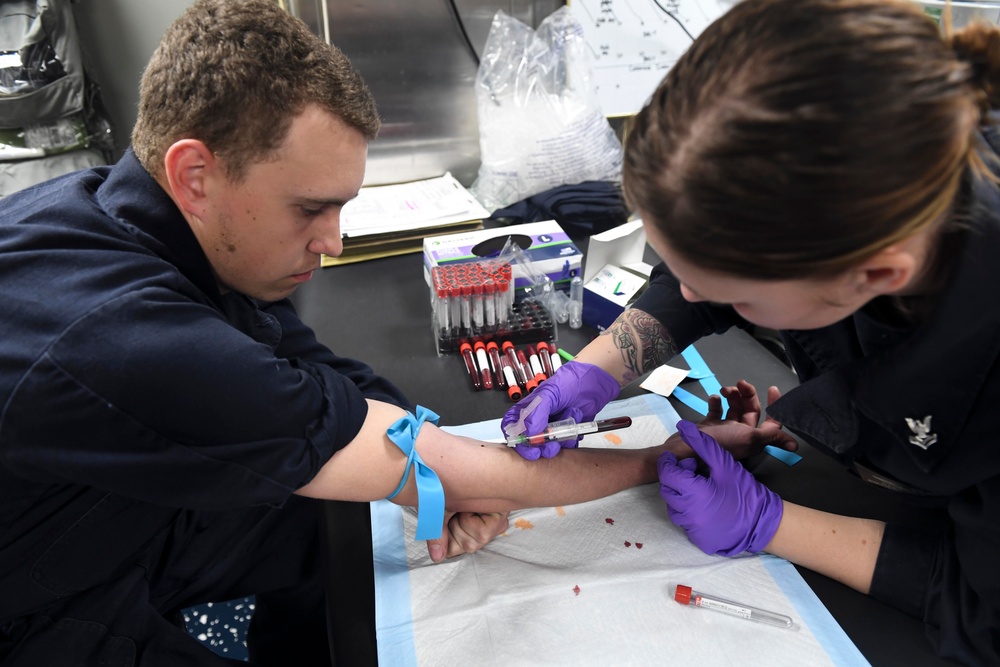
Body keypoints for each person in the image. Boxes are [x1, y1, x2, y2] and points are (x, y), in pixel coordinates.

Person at [0, 1, 788, 665]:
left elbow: (317, 369)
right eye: (310, 209)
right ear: (195, 174)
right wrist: (667, 454)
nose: (336, 240)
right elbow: (473, 474)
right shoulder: (129, 335)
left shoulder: (117, 213)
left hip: (96, 496)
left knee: (333, 513)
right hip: (32, 591)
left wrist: (419, 448)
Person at [502, 0, 1000, 664]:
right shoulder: (860, 198)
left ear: (876, 271)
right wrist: (602, 364)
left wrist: (772, 522)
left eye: (729, 293)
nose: (692, 297)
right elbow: (715, 266)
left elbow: (982, 612)